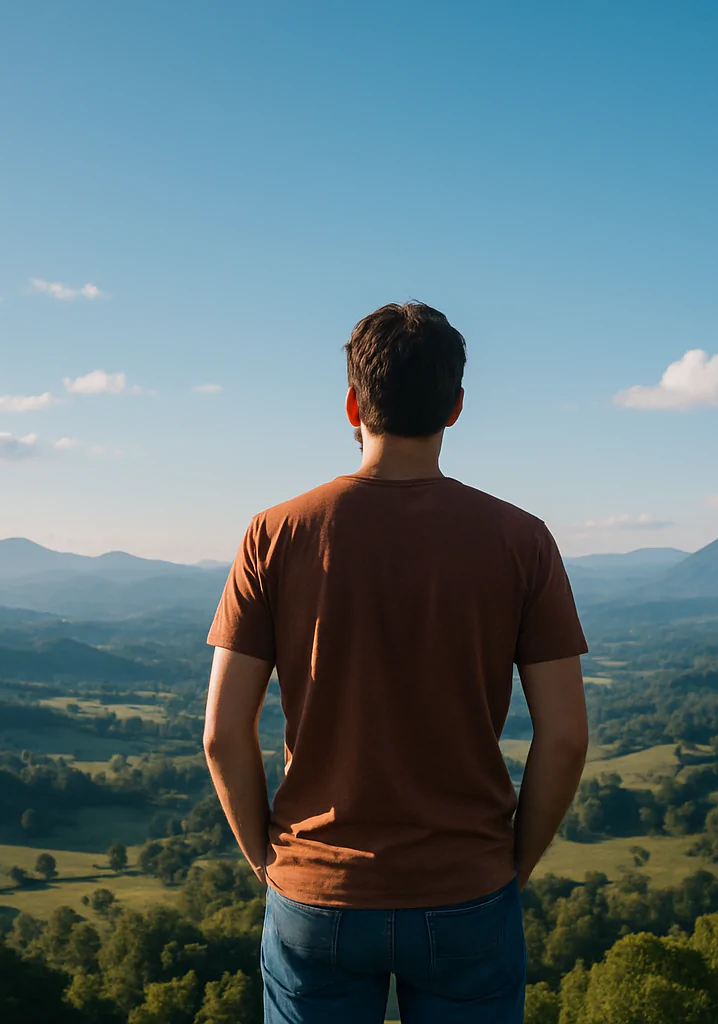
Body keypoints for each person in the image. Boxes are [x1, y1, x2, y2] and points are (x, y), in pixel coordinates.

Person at [204, 301, 589, 1023]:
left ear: (352, 402)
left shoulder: (274, 534)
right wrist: (513, 867)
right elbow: (566, 737)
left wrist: (272, 863)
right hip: (467, 891)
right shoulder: (522, 539)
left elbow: (223, 734)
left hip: (315, 894)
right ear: (457, 407)